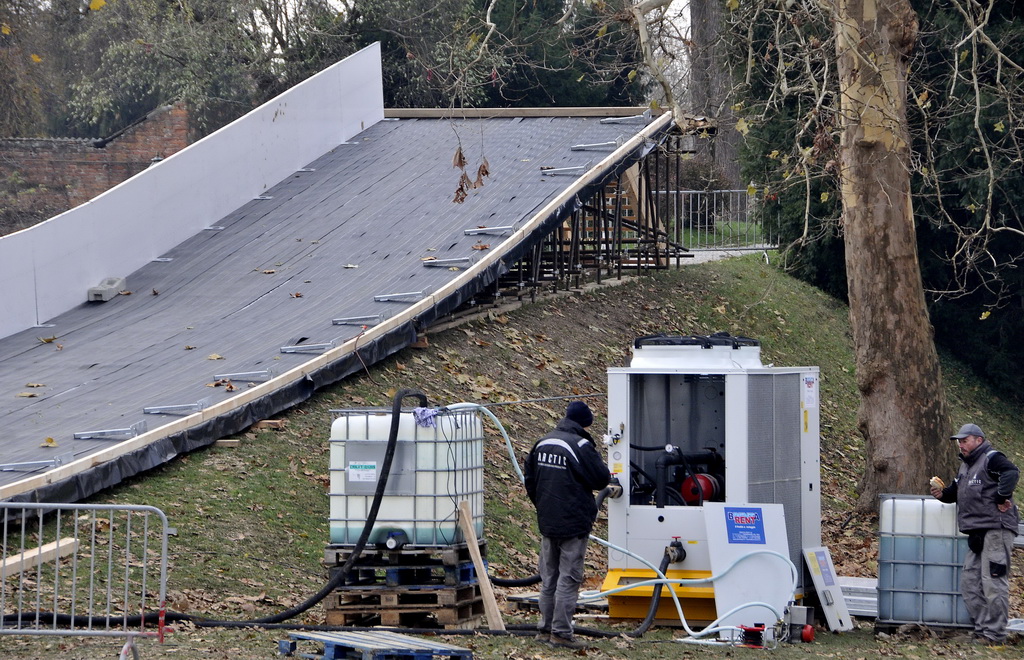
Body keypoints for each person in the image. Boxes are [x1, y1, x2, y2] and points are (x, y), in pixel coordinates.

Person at [524, 401, 611, 649]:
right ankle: (561, 633)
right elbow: (601, 478)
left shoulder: (543, 442)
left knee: (549, 576)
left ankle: (544, 629)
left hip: (548, 520)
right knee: (569, 578)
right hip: (573, 522)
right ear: (585, 423)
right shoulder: (581, 445)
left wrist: (543, 506)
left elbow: (530, 480)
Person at [930, 423, 1019, 645]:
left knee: (993, 582)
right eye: (959, 441)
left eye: (965, 440)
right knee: (970, 583)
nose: (961, 445)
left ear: (978, 440)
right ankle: (981, 630)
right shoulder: (965, 467)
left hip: (996, 529)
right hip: (976, 531)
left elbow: (1011, 472)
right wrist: (941, 494)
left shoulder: (992, 458)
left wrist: (1001, 497)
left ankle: (995, 635)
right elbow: (954, 493)